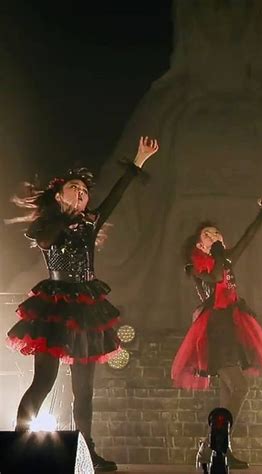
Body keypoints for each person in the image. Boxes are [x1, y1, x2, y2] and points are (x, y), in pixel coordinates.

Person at [7, 136, 159, 472]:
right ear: (59, 194)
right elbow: (46, 239)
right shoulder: (47, 224)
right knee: (43, 383)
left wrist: (138, 161)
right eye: (74, 188)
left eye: (85, 191)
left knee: (84, 391)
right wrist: (68, 214)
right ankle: (18, 449)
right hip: (55, 305)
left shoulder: (90, 223)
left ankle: (86, 453)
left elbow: (116, 197)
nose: (82, 194)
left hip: (87, 306)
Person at [171, 199, 262, 470]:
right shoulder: (197, 264)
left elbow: (247, 239)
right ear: (199, 244)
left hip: (233, 323)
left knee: (227, 392)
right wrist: (219, 252)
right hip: (215, 328)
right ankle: (215, 446)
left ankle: (216, 450)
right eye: (208, 235)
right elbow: (217, 277)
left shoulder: (224, 257)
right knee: (239, 386)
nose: (215, 237)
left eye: (218, 233)